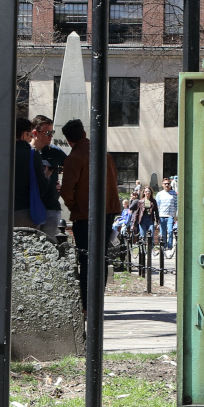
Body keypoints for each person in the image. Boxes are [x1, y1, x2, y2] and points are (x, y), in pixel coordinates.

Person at [59, 119, 119, 311]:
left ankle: (86, 304)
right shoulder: (104, 153)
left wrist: (73, 205)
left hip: (84, 214)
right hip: (107, 212)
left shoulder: (75, 156)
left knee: (86, 259)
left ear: (69, 140)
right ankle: (97, 302)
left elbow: (67, 190)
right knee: (100, 258)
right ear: (84, 134)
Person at [29, 114, 66, 242]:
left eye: (52, 132)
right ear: (35, 133)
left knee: (50, 246)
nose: (51, 136)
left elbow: (73, 168)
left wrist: (64, 187)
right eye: (47, 133)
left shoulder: (55, 152)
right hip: (31, 207)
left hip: (52, 206)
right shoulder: (26, 152)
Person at [12, 116, 48, 230]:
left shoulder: (2, 154)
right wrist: (46, 176)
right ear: (24, 135)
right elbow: (40, 187)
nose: (31, 138)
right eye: (30, 135)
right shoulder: (32, 155)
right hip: (25, 211)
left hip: (2, 212)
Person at [155, 177, 177, 251]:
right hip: (161, 216)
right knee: (162, 232)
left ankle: (170, 246)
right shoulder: (159, 194)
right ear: (162, 185)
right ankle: (163, 246)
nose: (167, 185)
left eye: (168, 184)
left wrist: (176, 216)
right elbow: (157, 206)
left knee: (170, 231)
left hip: (170, 216)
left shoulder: (174, 194)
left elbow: (176, 205)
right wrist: (156, 218)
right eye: (165, 184)